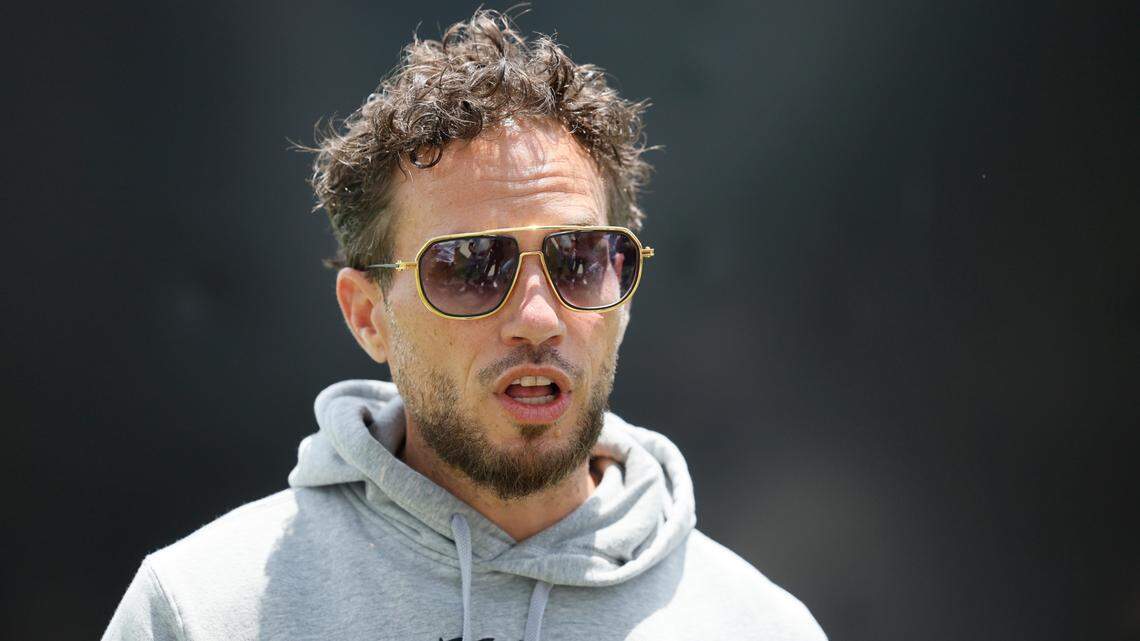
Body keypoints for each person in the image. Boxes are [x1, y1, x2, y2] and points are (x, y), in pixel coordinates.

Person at [102, 9, 827, 641]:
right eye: (471, 265)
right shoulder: (202, 611)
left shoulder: (760, 626)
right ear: (367, 316)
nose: (538, 318)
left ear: (624, 289)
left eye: (578, 259)